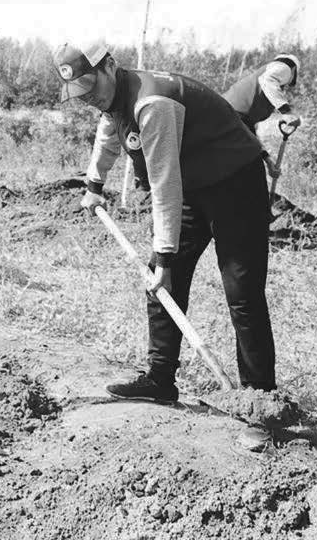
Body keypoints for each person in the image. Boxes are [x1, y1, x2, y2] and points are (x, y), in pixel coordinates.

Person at [58, 43, 276, 402]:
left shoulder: (152, 103)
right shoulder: (115, 99)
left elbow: (164, 185)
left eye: (91, 88)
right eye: (80, 93)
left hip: (236, 183)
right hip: (195, 183)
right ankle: (160, 381)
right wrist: (94, 184)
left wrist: (164, 257)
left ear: (109, 66)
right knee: (161, 283)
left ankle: (261, 400)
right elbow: (109, 131)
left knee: (242, 291)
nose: (89, 98)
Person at [223, 54, 302, 179]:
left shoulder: (263, 92)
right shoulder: (285, 67)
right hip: (227, 117)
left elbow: (250, 133)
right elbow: (268, 79)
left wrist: (268, 161)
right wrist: (286, 112)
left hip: (229, 119)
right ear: (294, 71)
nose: (286, 86)